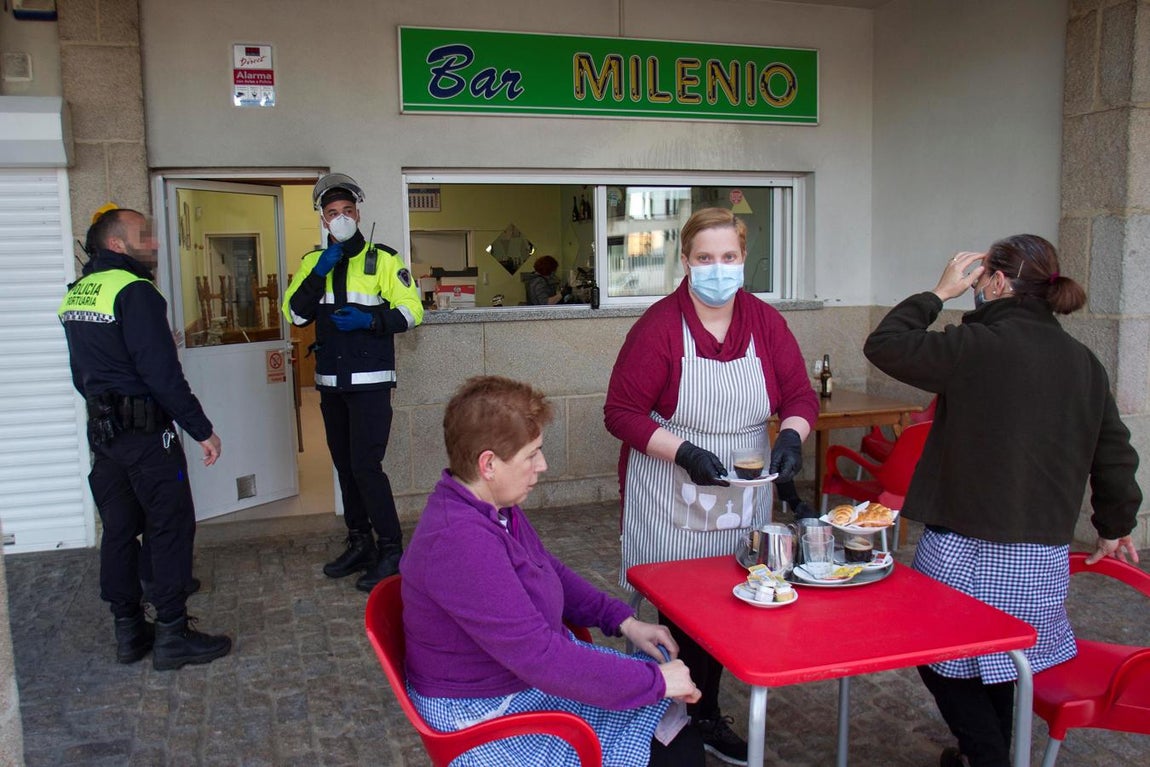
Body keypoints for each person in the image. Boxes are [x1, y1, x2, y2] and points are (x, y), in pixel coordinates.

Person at [863, 235, 1142, 767]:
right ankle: (990, 753)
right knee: (1011, 655)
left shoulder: (977, 348)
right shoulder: (1083, 362)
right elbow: (1114, 452)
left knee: (938, 653)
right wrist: (1114, 523)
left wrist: (938, 292)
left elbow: (886, 344)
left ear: (996, 282)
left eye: (979, 277)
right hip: (1039, 550)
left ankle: (987, 755)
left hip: (964, 543)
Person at [604, 207, 819, 765]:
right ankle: (658, 718)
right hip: (669, 490)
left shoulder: (766, 324)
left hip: (743, 489)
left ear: (743, 259)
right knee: (679, 612)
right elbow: (622, 413)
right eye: (704, 258)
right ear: (686, 261)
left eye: (728, 257)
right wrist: (685, 452)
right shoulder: (658, 327)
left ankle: (705, 713)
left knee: (730, 603)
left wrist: (792, 437)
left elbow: (799, 396)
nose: (717, 269)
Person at [402, 375, 705, 767]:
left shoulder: (490, 507)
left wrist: (624, 622)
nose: (541, 466)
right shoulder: (460, 542)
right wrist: (656, 682)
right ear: (488, 464)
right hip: (486, 713)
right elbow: (542, 659)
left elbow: (548, 570)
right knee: (672, 746)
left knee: (674, 730)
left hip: (518, 681)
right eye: (531, 455)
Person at [58, 206, 231, 671]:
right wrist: (201, 429)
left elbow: (84, 371)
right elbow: (161, 375)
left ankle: (129, 630)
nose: (153, 243)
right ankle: (173, 633)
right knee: (170, 526)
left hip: (105, 433)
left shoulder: (79, 293)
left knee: (119, 530)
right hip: (146, 434)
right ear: (116, 244)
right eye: (144, 236)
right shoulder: (135, 291)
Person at [282, 173, 424, 593]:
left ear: (358, 214)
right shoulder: (313, 263)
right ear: (323, 221)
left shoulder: (382, 259)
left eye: (346, 212)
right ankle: (359, 542)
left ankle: (392, 549)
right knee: (344, 467)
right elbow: (295, 315)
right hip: (331, 382)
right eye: (332, 214)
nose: (340, 219)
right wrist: (317, 274)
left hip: (370, 382)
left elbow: (413, 311)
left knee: (366, 466)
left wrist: (372, 319)